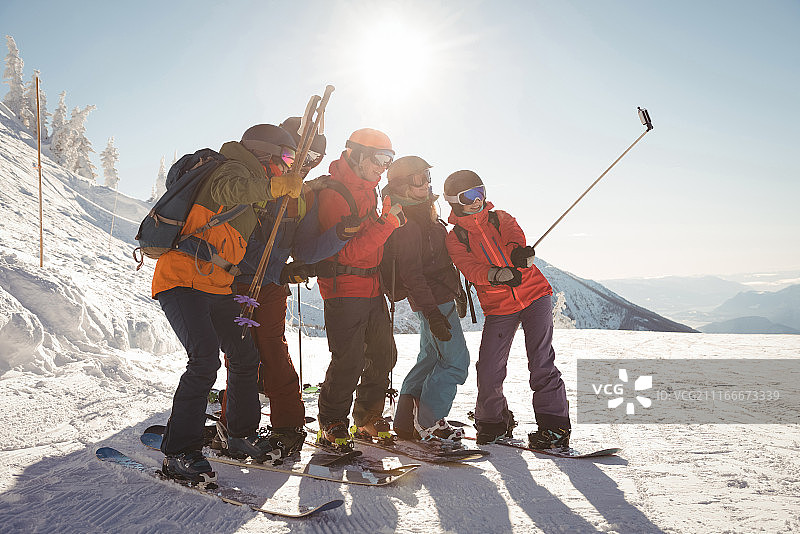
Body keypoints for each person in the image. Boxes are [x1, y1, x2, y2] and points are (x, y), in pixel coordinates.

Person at [152, 124, 304, 485]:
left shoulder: (255, 185)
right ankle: (179, 453)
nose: (288, 164)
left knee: (244, 355)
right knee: (204, 360)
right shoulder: (230, 167)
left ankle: (240, 434)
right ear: (265, 152)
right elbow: (229, 189)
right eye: (286, 156)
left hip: (217, 284)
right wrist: (272, 187)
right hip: (181, 278)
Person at [215, 119, 346, 460]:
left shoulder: (303, 196)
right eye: (302, 154)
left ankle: (286, 425)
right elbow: (239, 238)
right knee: (242, 354)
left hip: (270, 284)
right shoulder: (255, 181)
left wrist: (338, 236)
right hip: (237, 280)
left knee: (271, 350)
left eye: (316, 157)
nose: (308, 162)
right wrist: (277, 268)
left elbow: (303, 248)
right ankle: (236, 423)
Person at [443, 170, 572, 448]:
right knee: (489, 367)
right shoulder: (456, 238)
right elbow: (469, 268)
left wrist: (518, 255)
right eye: (469, 196)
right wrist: (496, 275)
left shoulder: (501, 218)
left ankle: (555, 427)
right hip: (499, 306)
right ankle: (493, 422)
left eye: (480, 192)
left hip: (535, 294)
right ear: (454, 201)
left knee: (541, 361)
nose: (477, 200)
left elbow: (515, 238)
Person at [314, 128, 406, 450]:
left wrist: (386, 219)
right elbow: (346, 253)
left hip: (371, 286)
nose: (384, 166)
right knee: (349, 360)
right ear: (357, 155)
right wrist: (387, 223)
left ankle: (367, 417)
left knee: (384, 354)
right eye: (380, 158)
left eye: (388, 160)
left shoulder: (370, 190)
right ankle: (332, 421)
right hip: (343, 287)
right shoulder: (335, 194)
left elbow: (370, 241)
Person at [380, 156, 470, 442]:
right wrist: (432, 313)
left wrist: (456, 292)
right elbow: (412, 274)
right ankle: (430, 423)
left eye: (427, 177)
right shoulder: (407, 224)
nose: (426, 184)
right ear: (401, 185)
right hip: (433, 301)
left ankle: (406, 421)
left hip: (437, 298)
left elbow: (438, 262)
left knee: (430, 358)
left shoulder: (423, 213)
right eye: (418, 179)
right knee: (455, 362)